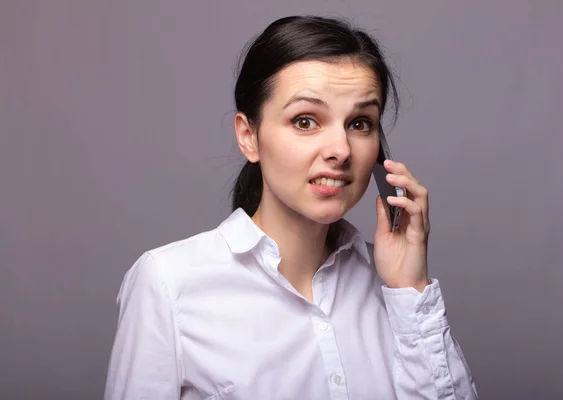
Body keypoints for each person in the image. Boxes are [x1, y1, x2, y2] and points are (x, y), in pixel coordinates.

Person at [105, 15, 478, 400]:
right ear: (249, 136)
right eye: (305, 121)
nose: (340, 150)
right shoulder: (168, 283)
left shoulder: (391, 286)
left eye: (361, 124)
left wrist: (410, 290)